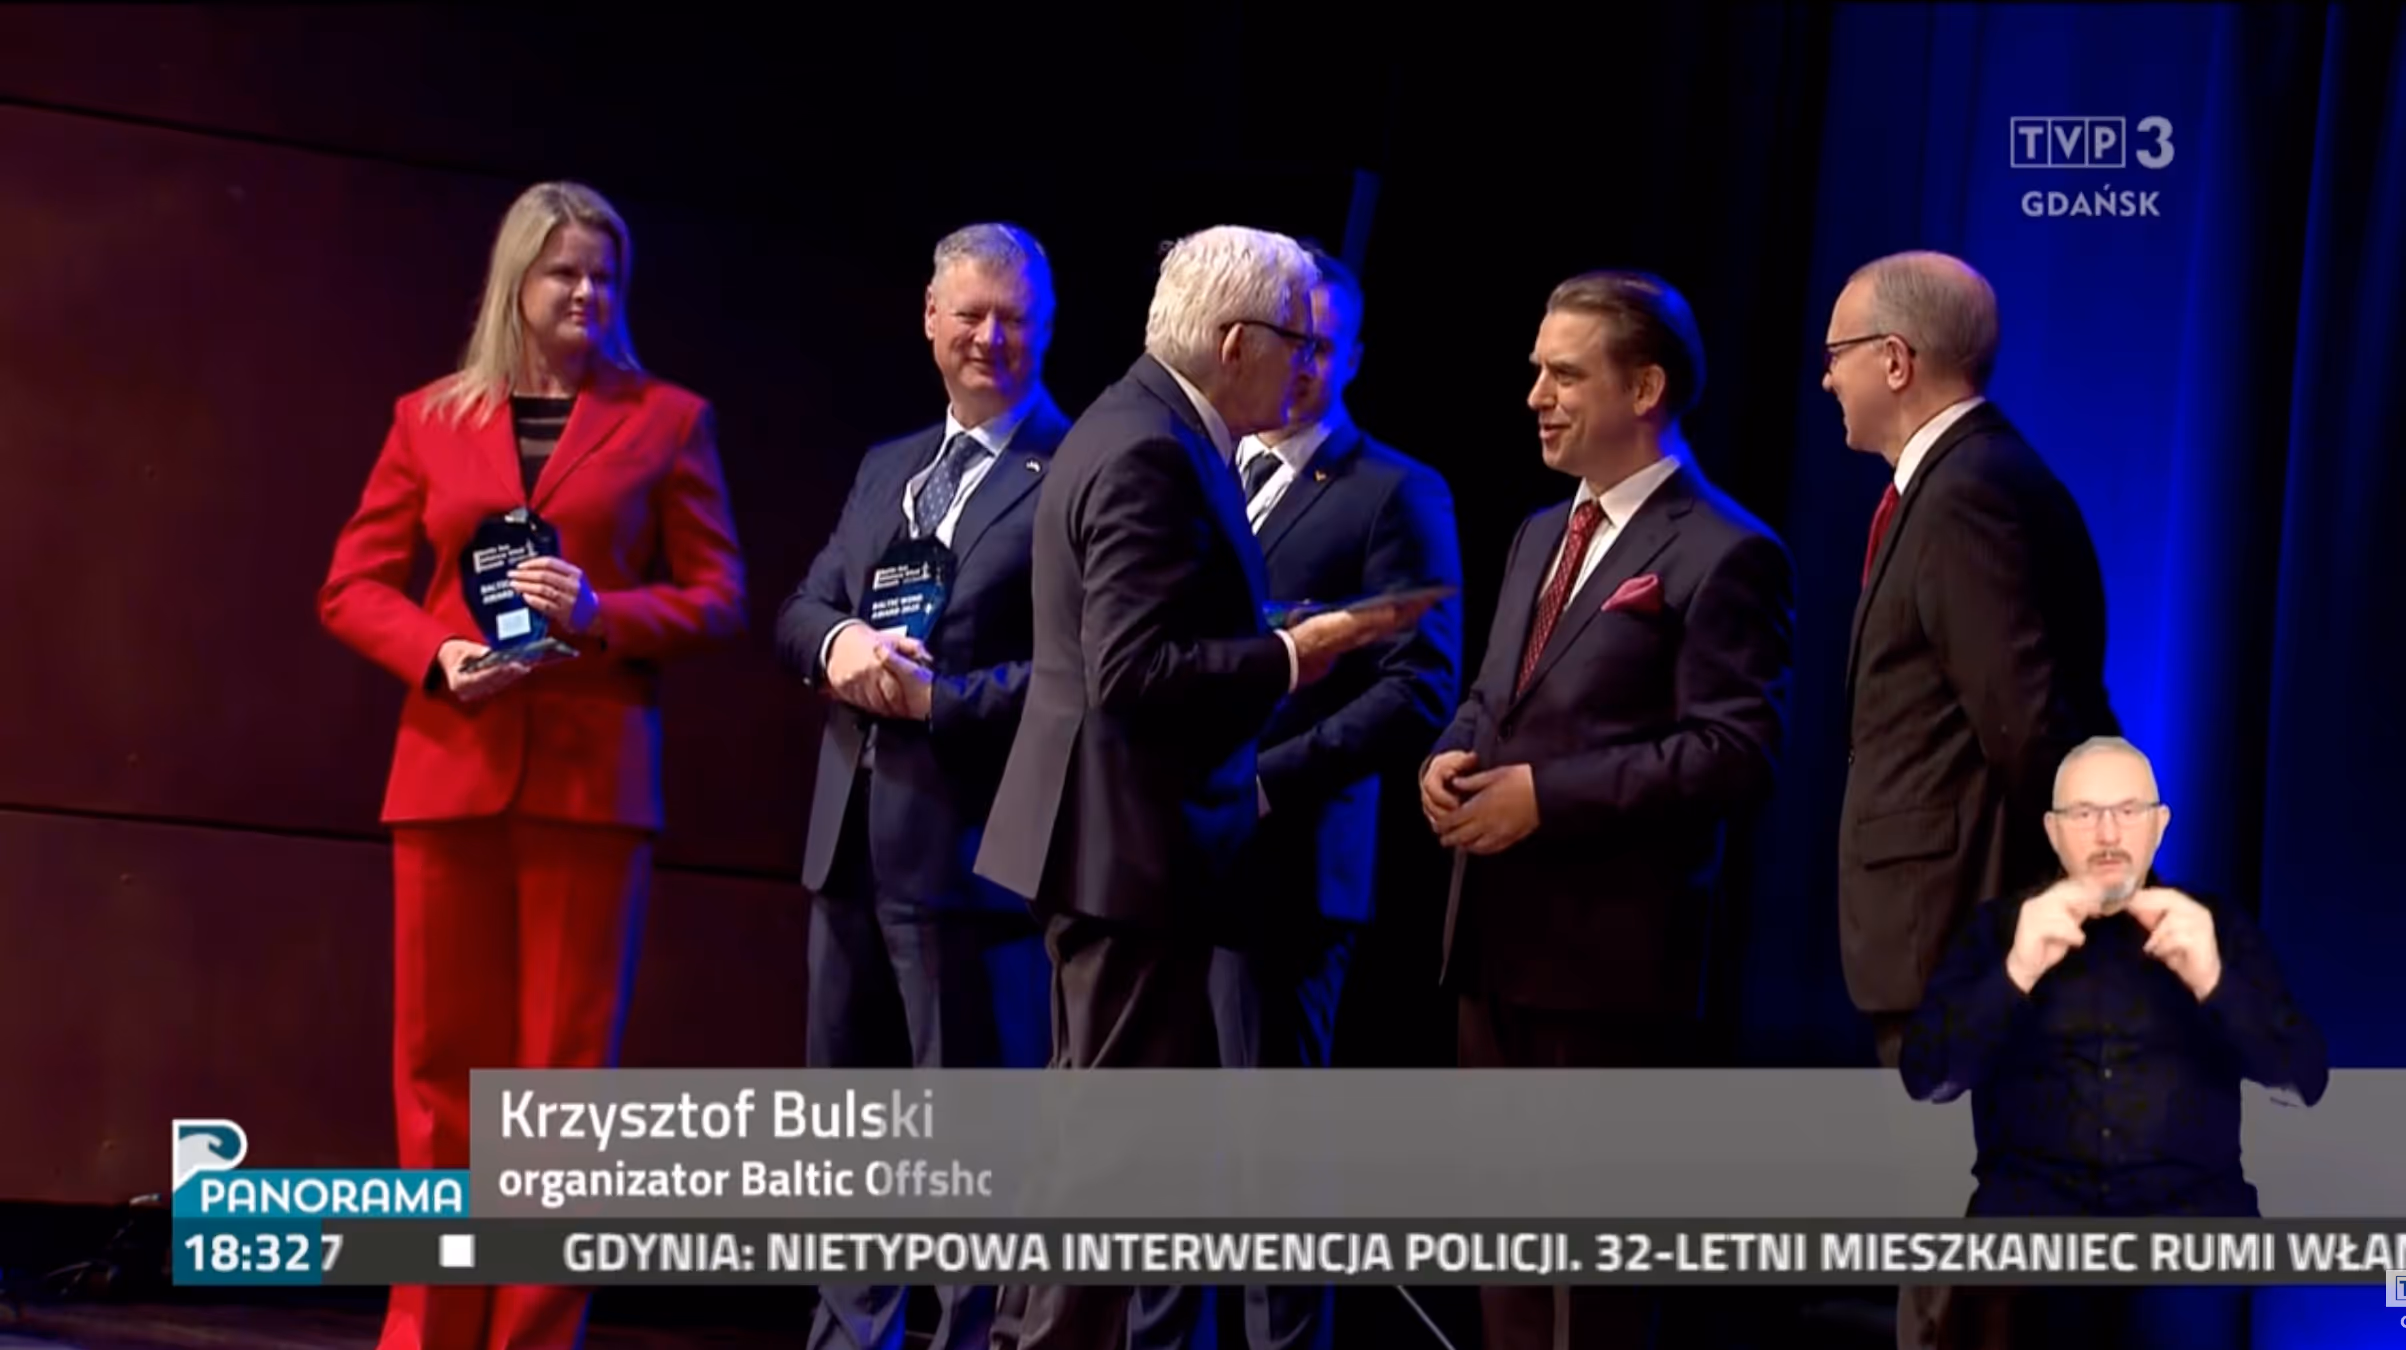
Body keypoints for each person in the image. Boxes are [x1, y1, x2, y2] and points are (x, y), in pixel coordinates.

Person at [973, 225, 1429, 1350]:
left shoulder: (1132, 421)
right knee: (1115, 1157)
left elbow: (1152, 625)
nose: (1302, 365)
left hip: (1099, 841)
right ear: (1236, 342)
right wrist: (1293, 656)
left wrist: (1280, 631)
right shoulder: (1154, 449)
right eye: (1291, 342)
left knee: (1085, 1137)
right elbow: (1133, 672)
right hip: (1130, 850)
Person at [317, 181, 745, 1350]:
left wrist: (607, 610)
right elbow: (352, 587)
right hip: (449, 771)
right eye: (565, 272)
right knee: (435, 1071)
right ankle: (426, 1331)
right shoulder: (429, 418)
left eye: (605, 275)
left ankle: (531, 1339)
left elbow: (718, 597)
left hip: (589, 788)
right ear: (518, 280)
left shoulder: (668, 420)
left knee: (562, 1089)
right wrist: (442, 653)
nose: (588, 293)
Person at [1419, 270, 1793, 1350]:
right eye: (1537, 369)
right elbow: (1498, 695)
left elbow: (1736, 756)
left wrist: (1546, 798)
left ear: (1646, 387)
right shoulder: (1539, 533)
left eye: (1564, 373)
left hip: (1610, 968)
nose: (1535, 392)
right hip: (1491, 945)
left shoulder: (1728, 551)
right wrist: (1451, 754)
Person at [774, 222, 1068, 1350]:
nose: (991, 337)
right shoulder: (889, 462)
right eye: (971, 314)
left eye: (1015, 318)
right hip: (846, 837)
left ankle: (968, 1335)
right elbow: (800, 606)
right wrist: (838, 643)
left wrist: (944, 700)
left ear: (1043, 330)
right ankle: (849, 1334)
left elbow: (1074, 673)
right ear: (930, 321)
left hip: (971, 852)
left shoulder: (1073, 470)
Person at [1209, 245, 1464, 1350]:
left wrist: (1268, 782)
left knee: (1271, 1163)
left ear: (1354, 353)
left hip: (1287, 862)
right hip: (1167, 860)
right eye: (1285, 340)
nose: (1301, 363)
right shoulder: (1197, 467)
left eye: (1323, 344)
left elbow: (1420, 686)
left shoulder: (1393, 491)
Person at [1898, 736, 2326, 1348]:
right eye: (2084, 814)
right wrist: (2015, 972)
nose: (2107, 833)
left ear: (2159, 825)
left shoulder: (2217, 927)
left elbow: (2302, 1081)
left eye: (2128, 811)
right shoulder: (1998, 930)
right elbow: (1927, 1078)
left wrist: (2214, 980)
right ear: (2053, 831)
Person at [1825, 250, 2118, 1066]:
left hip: (1961, 934)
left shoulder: (1968, 494)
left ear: (1894, 360)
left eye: (1834, 356)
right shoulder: (1974, 479)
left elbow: (2024, 722)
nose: (1825, 381)